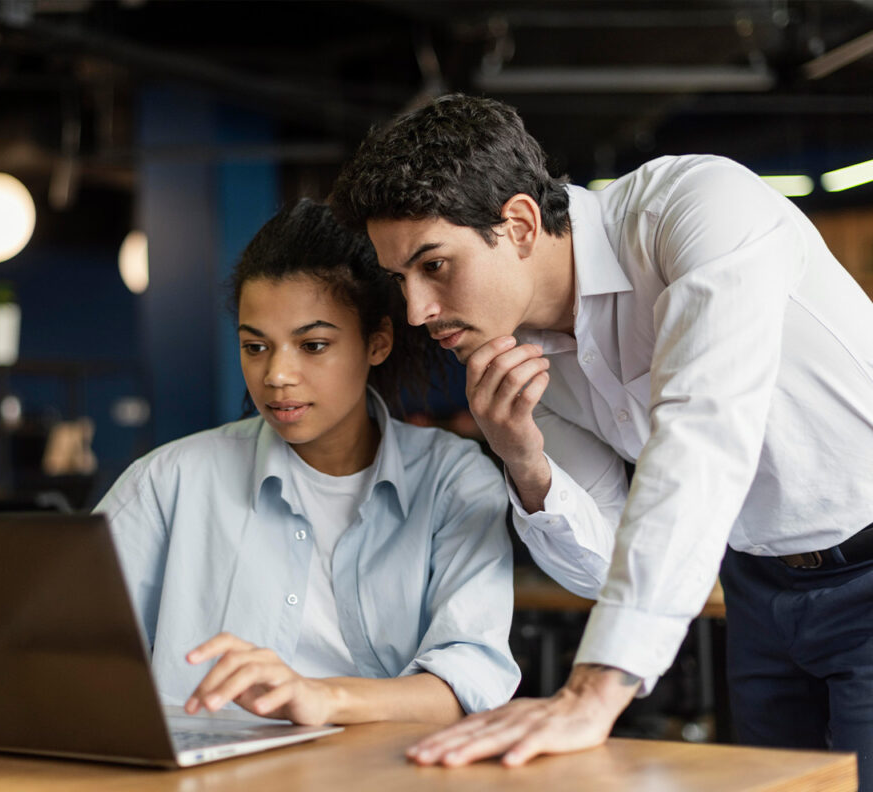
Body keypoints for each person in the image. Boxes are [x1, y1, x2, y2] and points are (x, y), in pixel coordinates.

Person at [330, 93, 873, 781]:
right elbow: (606, 564)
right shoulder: (513, 355)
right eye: (399, 278)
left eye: (434, 266)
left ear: (521, 225)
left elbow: (701, 438)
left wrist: (592, 692)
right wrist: (523, 459)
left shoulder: (700, 209)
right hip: (758, 589)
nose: (415, 311)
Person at [95, 198, 519, 727]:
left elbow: (472, 678)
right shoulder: (169, 480)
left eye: (312, 345)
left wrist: (323, 698)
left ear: (378, 342)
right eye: (255, 347)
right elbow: (66, 645)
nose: (277, 375)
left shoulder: (452, 481)